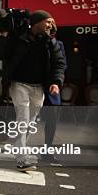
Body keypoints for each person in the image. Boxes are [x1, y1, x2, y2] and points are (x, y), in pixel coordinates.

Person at [0, 10, 65, 172]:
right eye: (48, 21)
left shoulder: (50, 42)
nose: (51, 25)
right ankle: (22, 159)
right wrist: (4, 34)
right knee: (23, 118)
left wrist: (56, 82)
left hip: (39, 87)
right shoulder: (18, 38)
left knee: (30, 123)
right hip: (19, 84)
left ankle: (19, 146)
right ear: (37, 22)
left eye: (52, 23)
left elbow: (59, 64)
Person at [42, 19, 67, 161]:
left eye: (50, 31)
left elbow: (62, 66)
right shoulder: (37, 45)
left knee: (51, 120)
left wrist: (56, 83)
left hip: (52, 88)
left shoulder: (59, 45)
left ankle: (47, 149)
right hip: (36, 86)